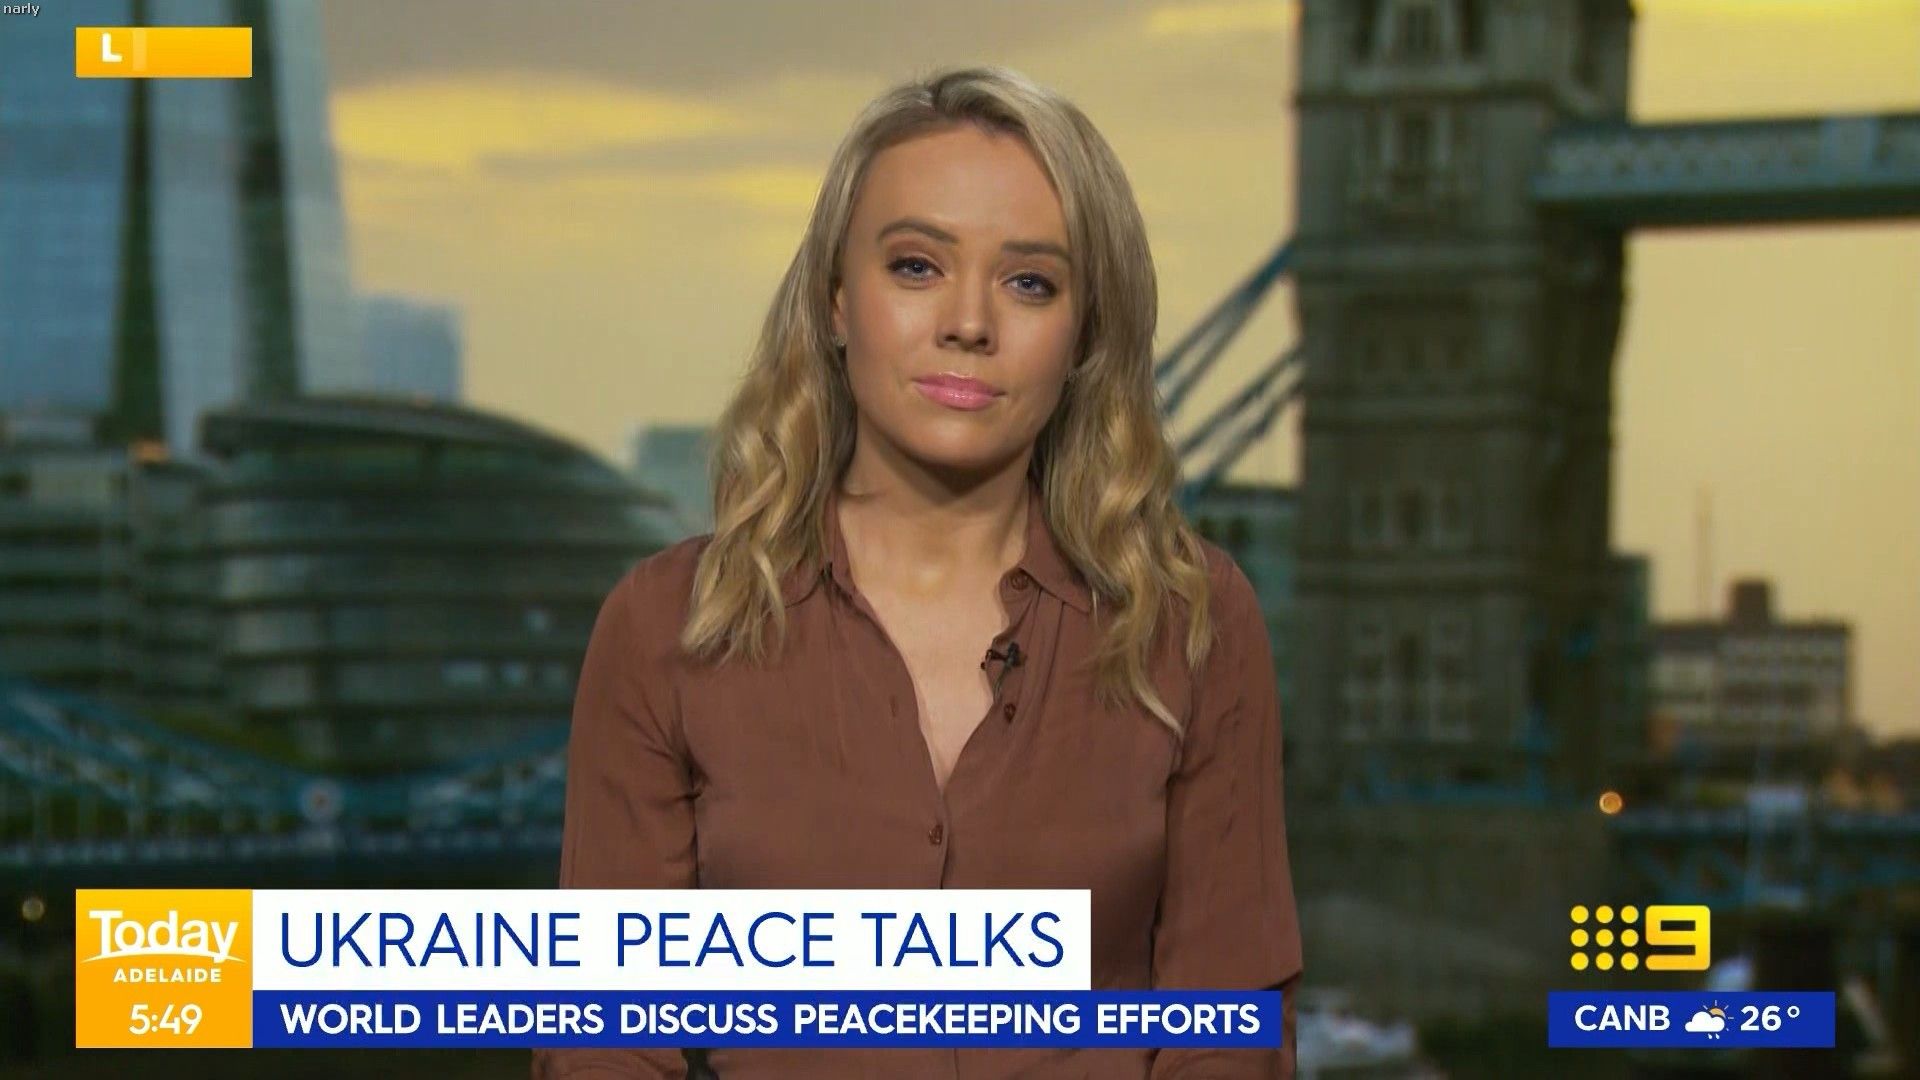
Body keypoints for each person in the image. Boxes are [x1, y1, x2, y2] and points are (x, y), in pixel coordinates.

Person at [533, 64, 1301, 1080]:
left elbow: (1230, 1031)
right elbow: (606, 1043)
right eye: (915, 266)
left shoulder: (1193, 622)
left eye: (1030, 282)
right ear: (836, 301)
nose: (968, 323)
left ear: (1083, 336)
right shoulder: (668, 627)